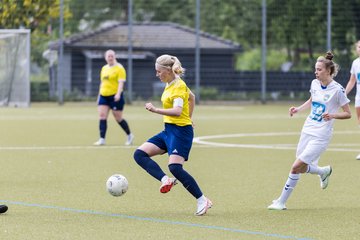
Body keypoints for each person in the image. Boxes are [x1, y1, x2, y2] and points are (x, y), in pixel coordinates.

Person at [268, 51, 351, 210]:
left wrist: (332, 115)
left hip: (321, 135)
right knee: (301, 167)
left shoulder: (338, 90)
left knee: (295, 167)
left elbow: (348, 113)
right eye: (315, 69)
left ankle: (281, 202)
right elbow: (312, 100)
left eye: (319, 69)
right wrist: (298, 109)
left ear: (328, 71)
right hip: (307, 129)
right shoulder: (314, 83)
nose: (316, 72)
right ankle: (323, 171)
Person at [133, 54, 212, 216]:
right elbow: (192, 98)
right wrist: (189, 117)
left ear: (168, 71)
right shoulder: (170, 83)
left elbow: (176, 111)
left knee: (175, 167)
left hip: (181, 132)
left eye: (159, 71)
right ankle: (165, 179)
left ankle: (202, 199)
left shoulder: (178, 86)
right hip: (169, 130)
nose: (157, 74)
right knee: (139, 154)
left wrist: (156, 110)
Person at [94, 49, 134, 146]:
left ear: (115, 56)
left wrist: (118, 94)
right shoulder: (104, 68)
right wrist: (99, 96)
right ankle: (102, 139)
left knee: (118, 118)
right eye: (108, 56)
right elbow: (102, 83)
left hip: (115, 96)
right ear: (105, 57)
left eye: (112, 56)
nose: (110, 58)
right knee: (102, 116)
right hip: (104, 95)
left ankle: (129, 135)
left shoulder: (119, 68)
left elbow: (121, 82)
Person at [345, 40, 360, 159]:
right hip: (359, 98)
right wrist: (343, 94)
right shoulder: (355, 63)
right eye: (359, 47)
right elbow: (352, 81)